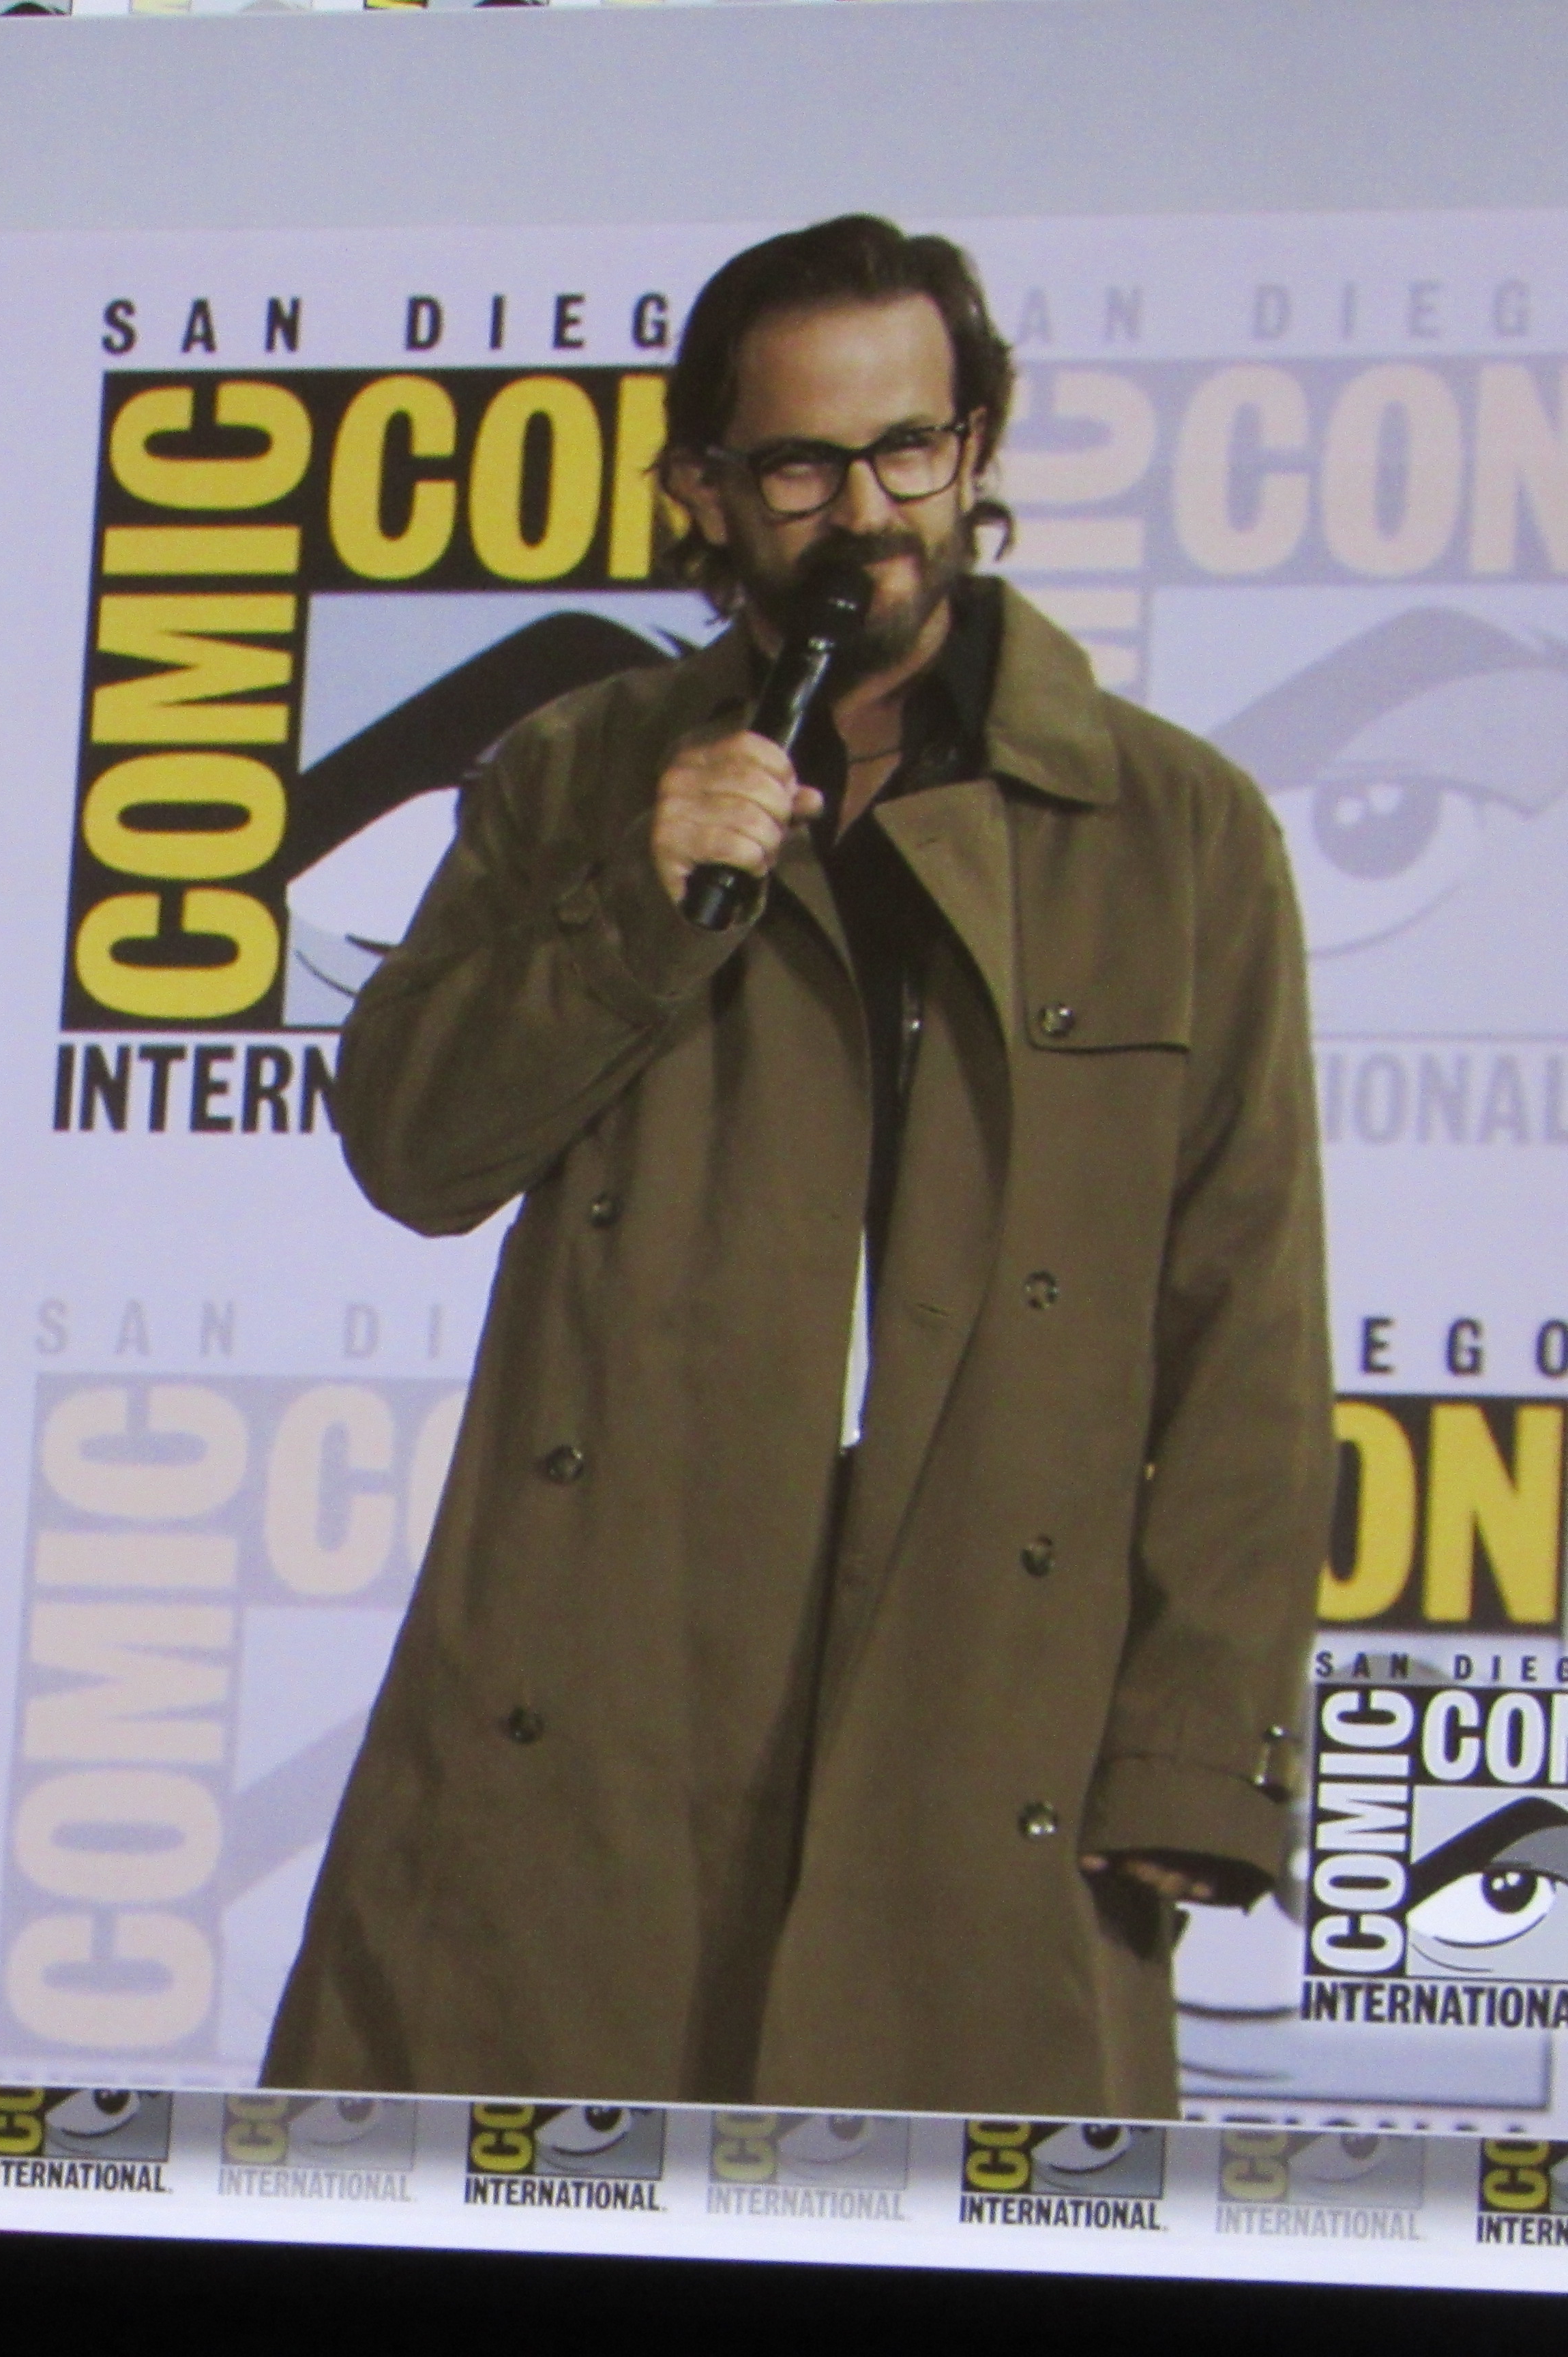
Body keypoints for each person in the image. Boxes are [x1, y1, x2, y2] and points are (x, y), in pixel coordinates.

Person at [263, 216, 1331, 2118]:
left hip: (984, 1702)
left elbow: (1245, 1313)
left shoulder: (1173, 829)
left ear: (977, 448)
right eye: (802, 467)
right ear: (704, 489)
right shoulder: (577, 776)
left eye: (910, 447)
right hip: (603, 1703)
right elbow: (414, 1147)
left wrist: (1197, 1754)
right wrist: (634, 902)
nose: (868, 515)